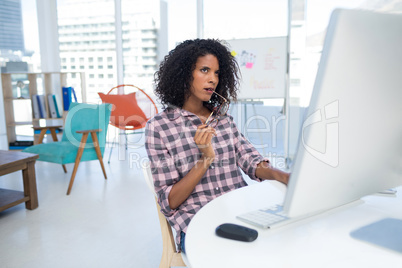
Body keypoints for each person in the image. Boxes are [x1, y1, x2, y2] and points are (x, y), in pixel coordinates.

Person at [145, 39, 289, 253]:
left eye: (217, 73)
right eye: (204, 70)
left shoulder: (223, 119)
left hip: (240, 211)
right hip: (198, 222)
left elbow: (251, 162)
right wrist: (204, 160)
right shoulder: (159, 128)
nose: (212, 79)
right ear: (184, 74)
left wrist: (282, 176)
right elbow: (170, 201)